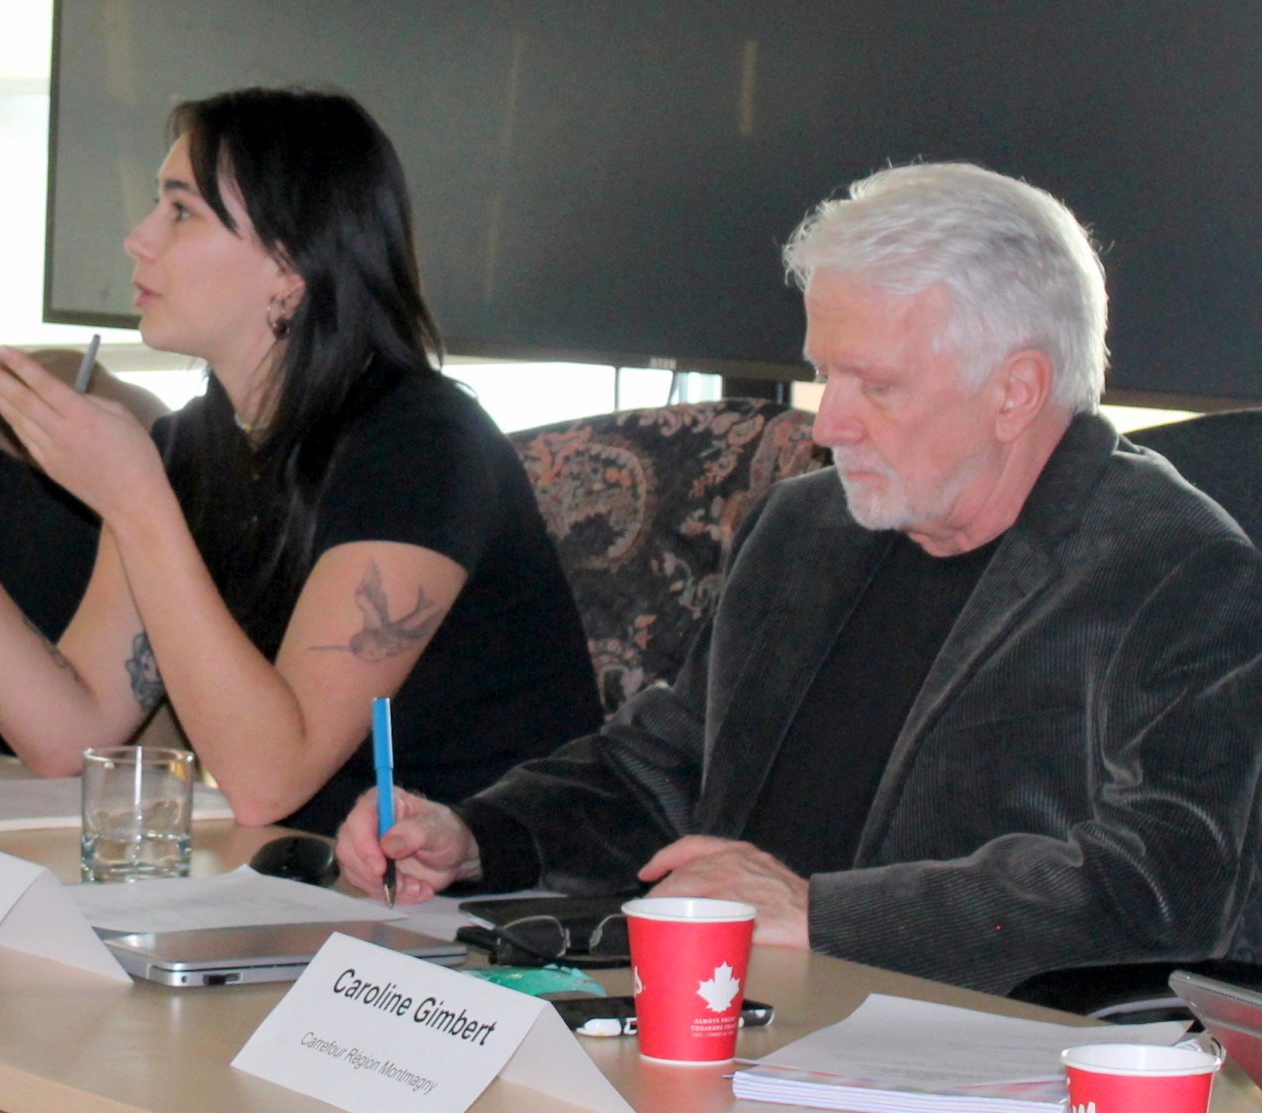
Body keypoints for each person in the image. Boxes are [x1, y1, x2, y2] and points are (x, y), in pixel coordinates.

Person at [336, 162, 1262, 994]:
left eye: (876, 385)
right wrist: (478, 837)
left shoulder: (1177, 569)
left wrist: (822, 914)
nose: (828, 425)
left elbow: (1165, 881)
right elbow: (661, 772)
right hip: (723, 1011)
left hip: (970, 1054)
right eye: (824, 374)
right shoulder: (806, 526)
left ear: (1015, 390)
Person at [0, 87, 601, 833]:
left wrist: (138, 503)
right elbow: (69, 734)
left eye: (181, 211)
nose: (138, 238)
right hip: (312, 882)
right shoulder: (189, 447)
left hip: (491, 899)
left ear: (290, 268)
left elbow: (269, 780)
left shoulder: (423, 445)